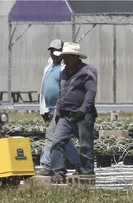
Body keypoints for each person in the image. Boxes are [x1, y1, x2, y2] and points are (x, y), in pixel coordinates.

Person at [50, 42, 98, 183]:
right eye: (63, 57)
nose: (64, 60)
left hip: (83, 115)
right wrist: (58, 110)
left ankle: (86, 172)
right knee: (57, 141)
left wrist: (83, 110)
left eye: (67, 57)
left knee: (85, 144)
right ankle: (58, 173)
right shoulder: (64, 72)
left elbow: (91, 92)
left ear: (75, 57)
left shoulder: (88, 71)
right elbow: (61, 93)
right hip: (65, 114)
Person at [38, 39, 80, 176]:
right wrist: (43, 109)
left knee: (51, 135)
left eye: (56, 52)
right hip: (49, 107)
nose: (53, 55)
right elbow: (44, 88)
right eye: (51, 51)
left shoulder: (65, 67)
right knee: (63, 139)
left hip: (61, 106)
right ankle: (80, 164)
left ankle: (47, 165)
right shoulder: (49, 65)